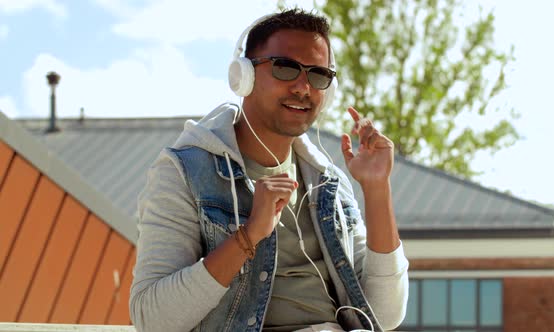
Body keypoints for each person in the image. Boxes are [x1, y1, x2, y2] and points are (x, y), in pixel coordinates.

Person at [130, 8, 409, 332]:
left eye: (318, 75)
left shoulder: (328, 182)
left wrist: (376, 189)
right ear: (243, 76)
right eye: (286, 68)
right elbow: (152, 320)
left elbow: (386, 316)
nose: (304, 87)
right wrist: (248, 237)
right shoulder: (184, 172)